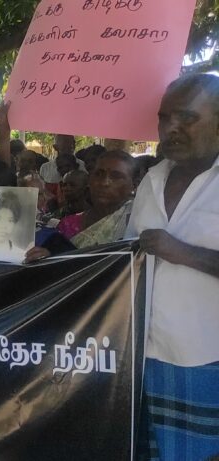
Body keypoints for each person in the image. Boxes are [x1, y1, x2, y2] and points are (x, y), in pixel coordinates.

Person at [127, 74, 219, 461]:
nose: (171, 128)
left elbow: (172, 251)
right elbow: (126, 255)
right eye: (164, 118)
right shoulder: (151, 178)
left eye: (187, 118)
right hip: (143, 356)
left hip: (205, 359)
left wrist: (183, 252)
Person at [57, 150, 136, 248]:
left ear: (134, 185)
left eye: (116, 176)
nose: (104, 183)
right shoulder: (67, 225)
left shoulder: (138, 225)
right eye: (98, 174)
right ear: (89, 180)